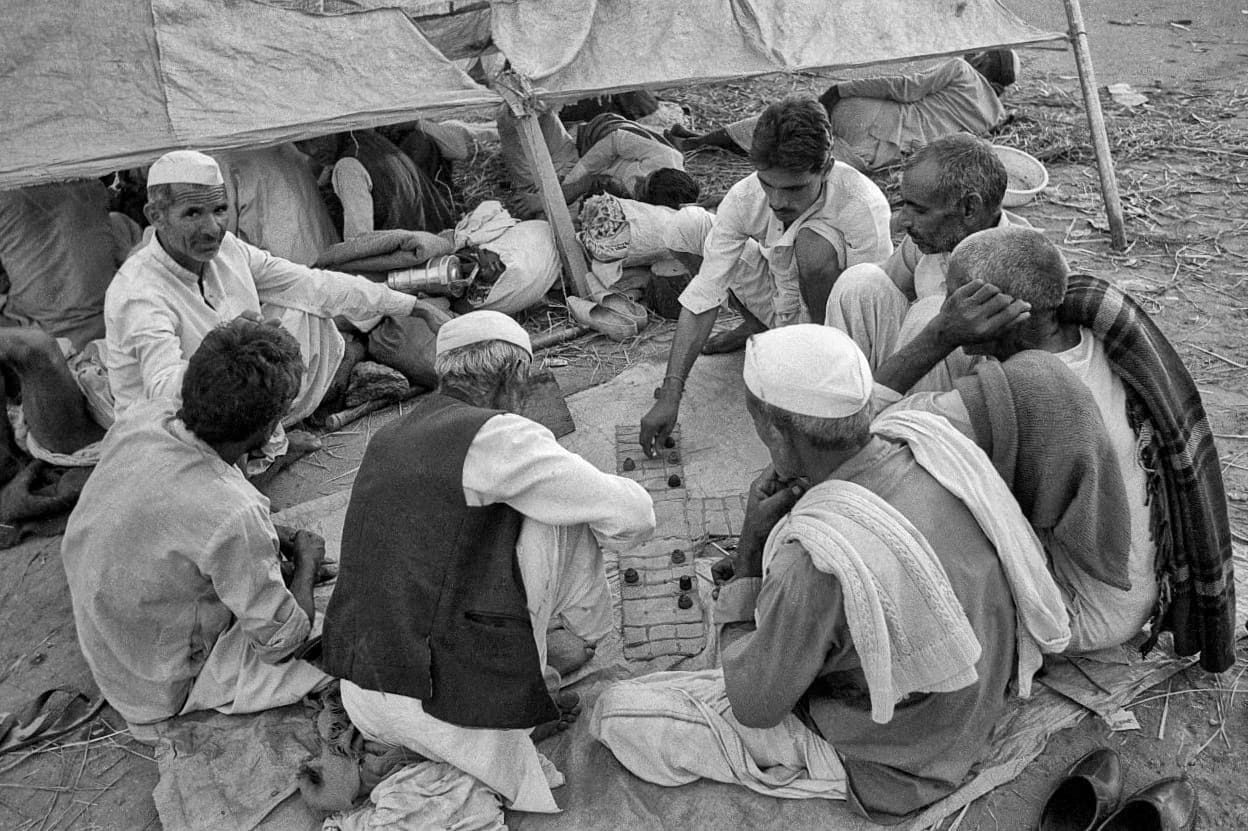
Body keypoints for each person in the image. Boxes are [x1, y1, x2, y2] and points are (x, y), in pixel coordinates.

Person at [594, 325, 1068, 824]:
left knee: (618, 711)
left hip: (901, 761)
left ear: (776, 434)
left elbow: (753, 706)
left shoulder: (816, 562)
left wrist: (750, 554)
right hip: (977, 702)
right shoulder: (930, 441)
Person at [320, 311, 656, 813]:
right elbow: (635, 515)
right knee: (565, 511)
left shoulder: (389, 436)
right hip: (445, 713)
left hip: (364, 696)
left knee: (538, 500)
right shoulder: (499, 435)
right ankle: (575, 646)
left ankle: (538, 667)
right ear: (511, 378)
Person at [873, 226, 1237, 672]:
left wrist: (941, 335)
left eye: (961, 300)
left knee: (903, 503)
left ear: (1009, 312)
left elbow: (863, 425)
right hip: (1136, 591)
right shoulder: (1095, 333)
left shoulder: (1029, 386)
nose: (951, 310)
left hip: (1082, 615)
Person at [62, 319, 331, 738]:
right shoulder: (233, 511)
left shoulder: (145, 419)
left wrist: (271, 537)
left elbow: (181, 520)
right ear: (264, 429)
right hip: (155, 684)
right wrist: (309, 564)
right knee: (342, 643)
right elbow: (283, 643)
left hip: (110, 639)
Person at [638, 95, 892, 456]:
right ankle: (756, 327)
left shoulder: (862, 204)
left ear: (827, 167)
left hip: (836, 331)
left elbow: (871, 304)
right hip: (780, 300)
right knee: (686, 226)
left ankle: (814, 367)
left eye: (793, 189)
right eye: (767, 184)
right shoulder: (746, 198)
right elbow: (705, 292)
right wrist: (671, 392)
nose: (776, 201)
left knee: (813, 246)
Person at [825, 132, 1028, 393]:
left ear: (969, 208)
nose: (903, 221)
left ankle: (903, 427)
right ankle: (842, 405)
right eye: (905, 205)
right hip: (920, 369)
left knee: (931, 314)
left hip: (972, 397)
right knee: (860, 283)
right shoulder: (936, 236)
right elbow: (883, 292)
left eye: (919, 210)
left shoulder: (1017, 263)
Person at [669, 53, 1016, 172]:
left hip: (872, 117)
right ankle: (702, 145)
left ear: (984, 62)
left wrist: (842, 89)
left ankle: (699, 141)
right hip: (884, 153)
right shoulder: (995, 116)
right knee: (806, 156)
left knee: (789, 118)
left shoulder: (962, 70)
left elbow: (905, 87)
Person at [296, 129, 457, 238]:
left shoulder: (347, 167)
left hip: (415, 258)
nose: (312, 150)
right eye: (299, 144)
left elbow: (359, 243)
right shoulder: (370, 142)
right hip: (437, 239)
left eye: (316, 138)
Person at [214, 143, 341, 266]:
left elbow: (221, 235)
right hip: (324, 256)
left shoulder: (222, 159)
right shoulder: (283, 144)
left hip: (284, 269)